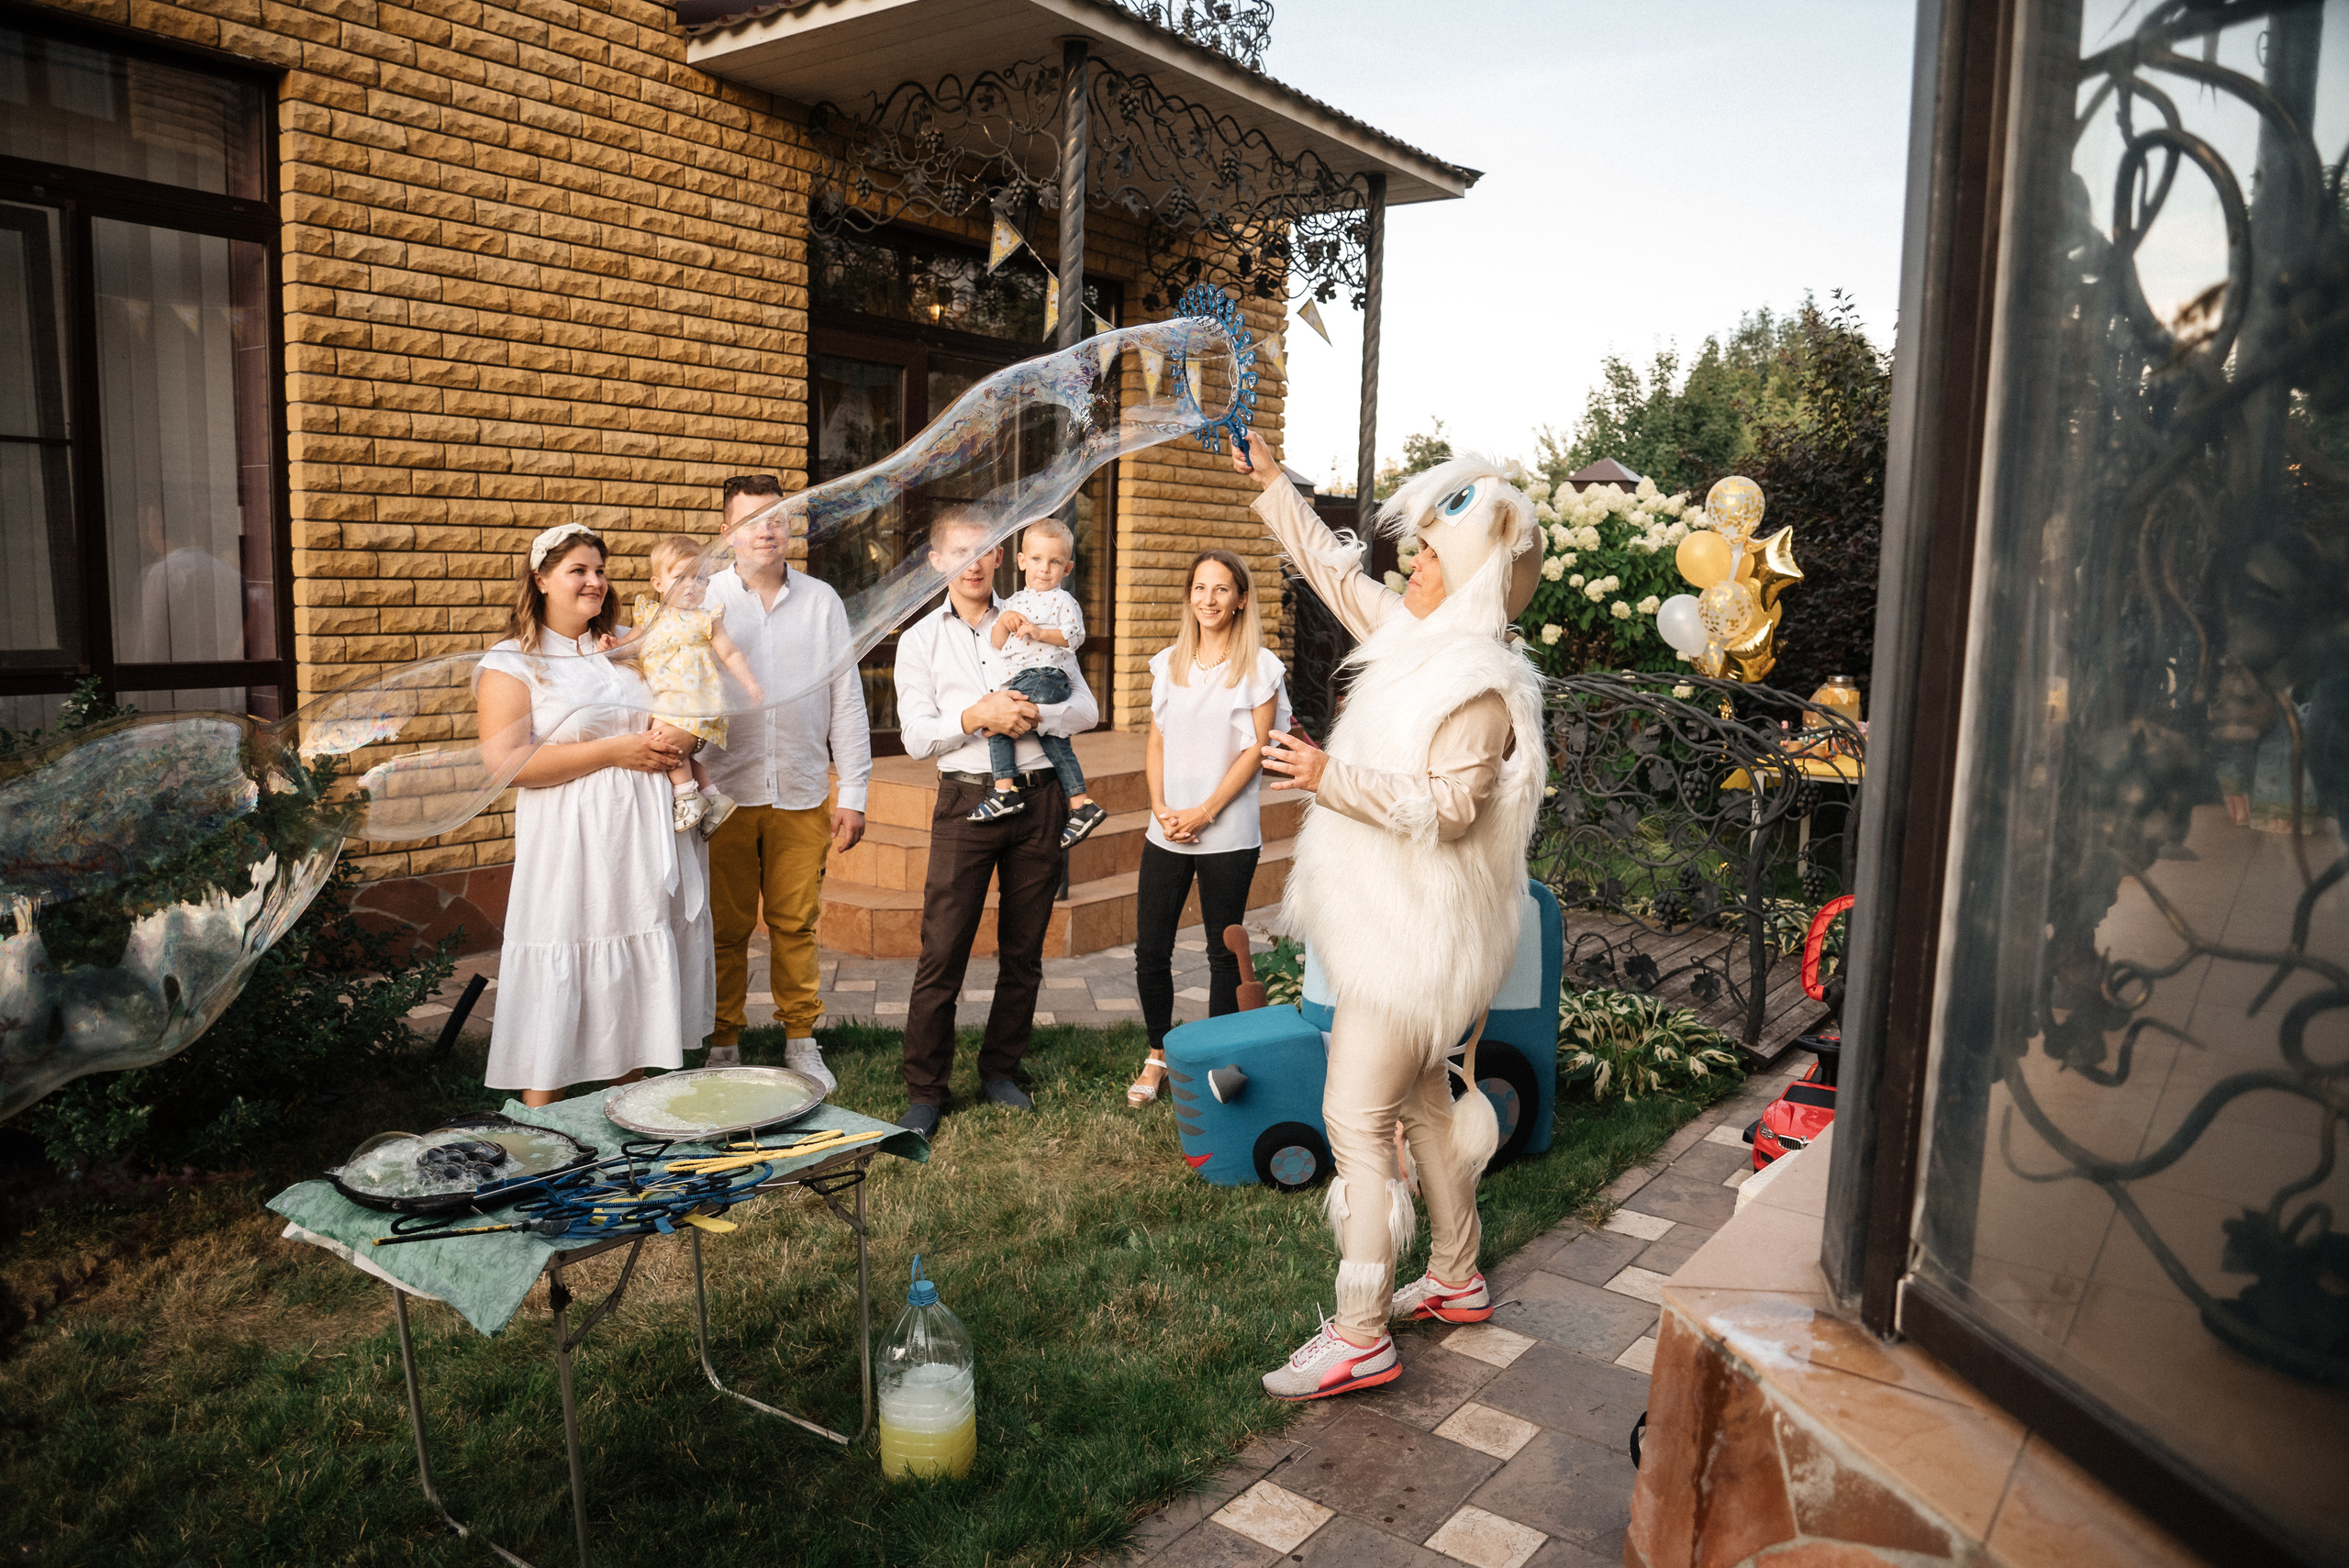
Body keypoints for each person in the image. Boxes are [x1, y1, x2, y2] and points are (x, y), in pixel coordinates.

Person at [1230, 429, 1547, 1402]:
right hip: (1397, 929)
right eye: (1411, 549)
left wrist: (1331, 776)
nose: (1407, 565)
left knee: (1355, 1120)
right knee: (1422, 1104)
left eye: (1428, 555)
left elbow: (1447, 813)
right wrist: (1272, 483)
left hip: (1411, 945)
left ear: (1478, 575)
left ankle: (1361, 1330)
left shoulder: (1478, 686)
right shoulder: (1414, 637)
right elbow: (1331, 570)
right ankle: (1455, 1274)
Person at [474, 522, 718, 1107]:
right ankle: (543, 1121)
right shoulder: (513, 663)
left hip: (642, 833)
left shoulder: (632, 644)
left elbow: (693, 711)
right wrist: (615, 751)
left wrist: (682, 745)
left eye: (600, 570)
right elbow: (507, 764)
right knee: (568, 949)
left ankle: (634, 1113)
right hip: (571, 840)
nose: (594, 582)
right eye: (577, 570)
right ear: (540, 580)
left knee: (633, 959)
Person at [892, 509, 1100, 1136]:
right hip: (965, 801)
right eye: (960, 551)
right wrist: (978, 715)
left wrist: (1035, 713)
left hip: (1039, 799)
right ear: (938, 561)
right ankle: (926, 1089)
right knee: (943, 949)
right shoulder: (920, 640)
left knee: (1024, 949)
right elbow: (914, 736)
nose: (974, 562)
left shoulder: (1043, 614)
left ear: (1002, 557)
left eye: (984, 550)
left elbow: (1086, 708)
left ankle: (1001, 1069)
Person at [703, 473, 872, 1085]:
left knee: (795, 922)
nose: (765, 529)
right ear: (728, 534)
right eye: (750, 520)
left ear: (790, 525)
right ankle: (723, 1038)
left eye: (776, 517)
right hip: (722, 792)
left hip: (800, 788)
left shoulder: (822, 600)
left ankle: (800, 1037)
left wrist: (852, 791)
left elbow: (845, 699)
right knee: (725, 926)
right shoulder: (704, 600)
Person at [1127, 549, 1286, 1107]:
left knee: (1222, 950)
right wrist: (1162, 807)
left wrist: (1205, 811)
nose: (1208, 599)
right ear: (1189, 595)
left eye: (1221, 589)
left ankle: (1216, 1062)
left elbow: (1257, 750)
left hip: (1228, 833)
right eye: (1199, 588)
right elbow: (1157, 742)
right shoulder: (1168, 662)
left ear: (1241, 599)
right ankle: (1159, 1056)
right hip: (1166, 828)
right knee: (1152, 949)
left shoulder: (1261, 668)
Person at [965, 518, 1108, 850]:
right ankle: (1081, 804)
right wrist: (1004, 621)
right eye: (1037, 560)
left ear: (1067, 567)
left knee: (999, 721)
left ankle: (1004, 792)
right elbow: (997, 642)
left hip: (1048, 676)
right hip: (1023, 678)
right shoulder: (1012, 601)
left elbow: (1074, 637)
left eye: (1055, 562)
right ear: (1021, 561)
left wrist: (1040, 632)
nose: (1045, 569)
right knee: (1054, 740)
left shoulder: (1063, 601)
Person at [619, 535, 763, 834]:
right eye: (681, 577)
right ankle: (714, 797)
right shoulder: (649, 614)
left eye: (699, 577)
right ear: (658, 583)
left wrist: (751, 685)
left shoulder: (706, 619)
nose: (691, 585)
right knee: (684, 752)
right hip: (667, 697)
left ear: (708, 583)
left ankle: (686, 796)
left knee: (662, 743)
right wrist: (613, 647)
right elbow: (631, 644)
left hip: (693, 698)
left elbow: (731, 653)